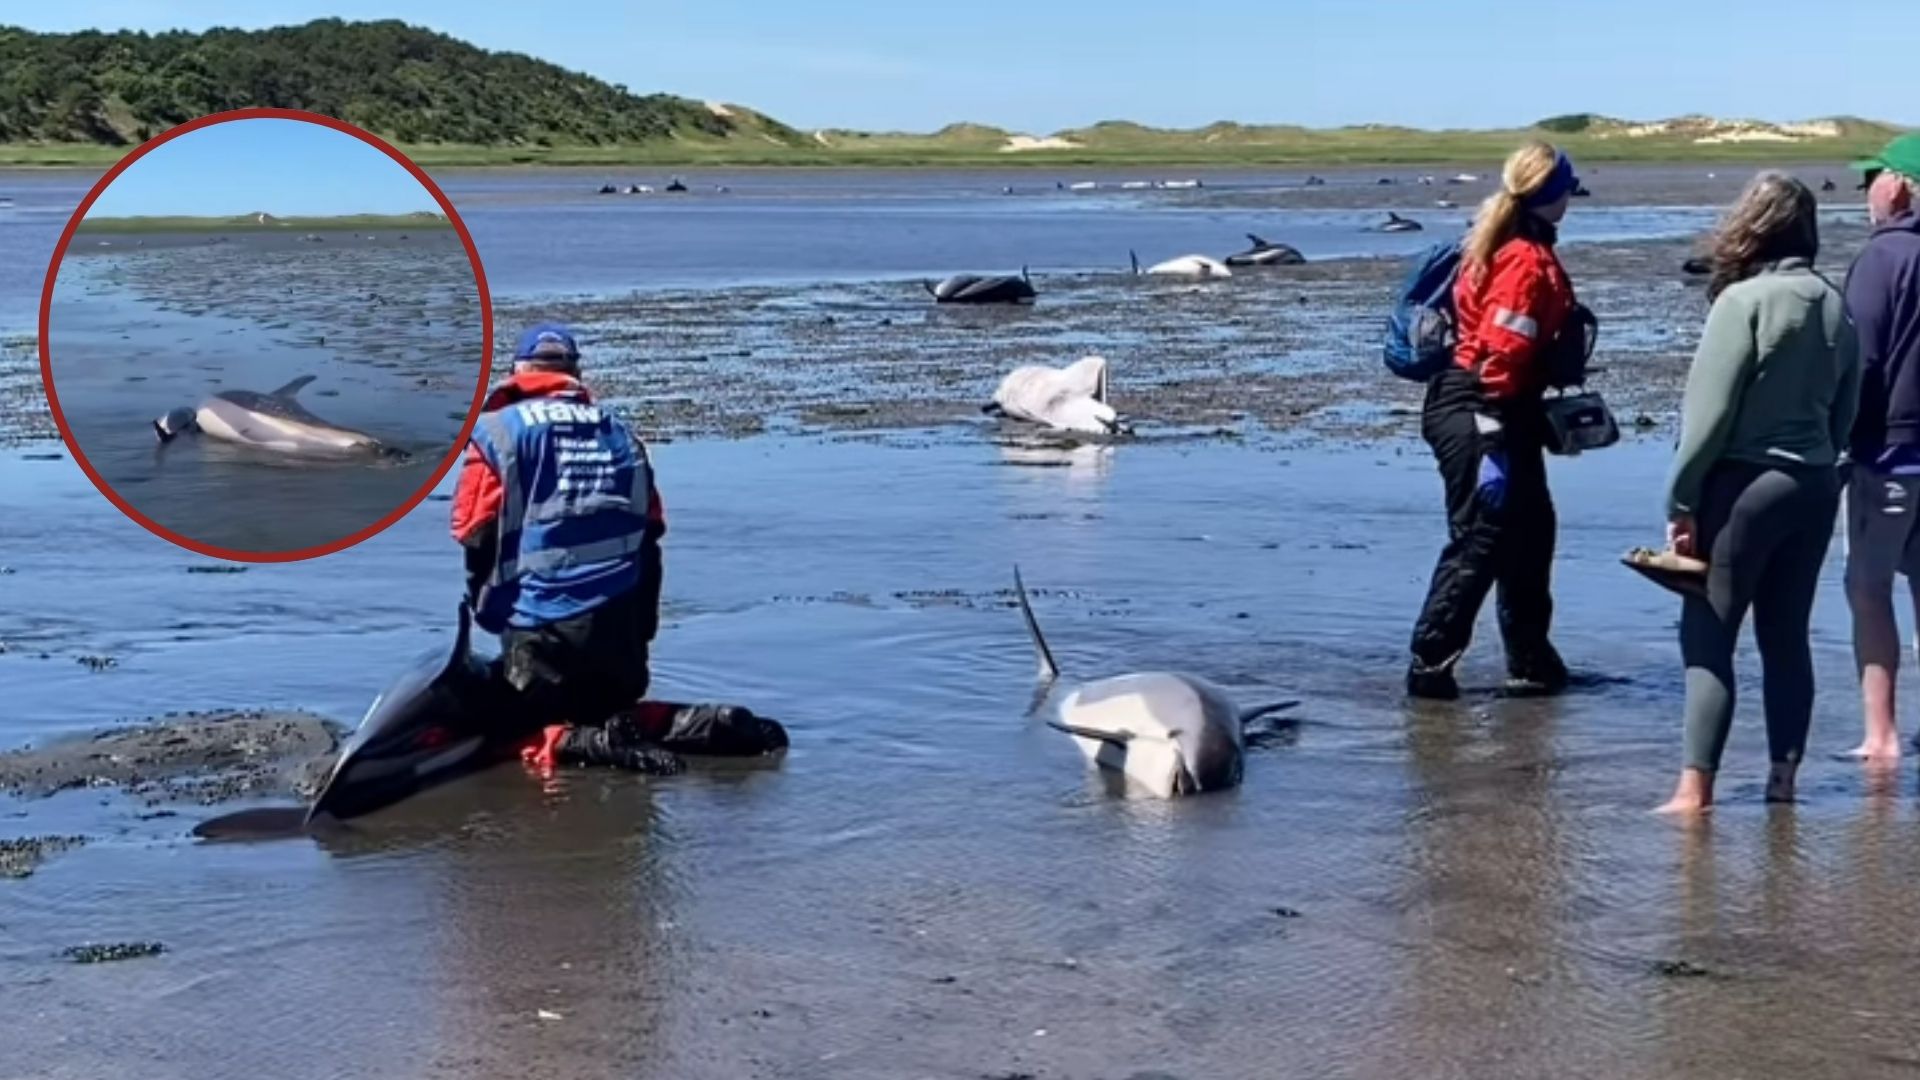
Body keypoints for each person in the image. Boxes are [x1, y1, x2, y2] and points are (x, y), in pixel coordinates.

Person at [1656, 172, 1860, 814]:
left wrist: (1680, 502)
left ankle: (1695, 792)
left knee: (1709, 633)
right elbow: (1845, 414)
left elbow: (1707, 421)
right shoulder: (1834, 302)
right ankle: (1783, 783)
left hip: (1743, 486)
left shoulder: (1742, 302)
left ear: (1753, 225)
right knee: (1786, 636)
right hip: (1815, 485)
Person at [451, 322, 678, 774]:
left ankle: (581, 745)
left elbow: (472, 528)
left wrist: (487, 609)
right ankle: (704, 724)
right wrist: (641, 632)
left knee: (515, 729)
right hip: (620, 626)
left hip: (541, 625)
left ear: (517, 371)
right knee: (610, 704)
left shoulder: (498, 432)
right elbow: (651, 532)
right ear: (575, 372)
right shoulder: (621, 432)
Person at [1406, 141, 1584, 700]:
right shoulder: (1524, 259)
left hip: (1492, 404)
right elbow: (1505, 346)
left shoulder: (1507, 244)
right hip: (1480, 406)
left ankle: (1531, 661)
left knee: (1532, 530)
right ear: (1552, 196)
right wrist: (1497, 418)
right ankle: (1430, 664)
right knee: (1484, 533)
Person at [1839, 132, 1920, 763]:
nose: (1867, 190)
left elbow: (1860, 360)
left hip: (1890, 452)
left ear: (1900, 185)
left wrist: (1839, 439)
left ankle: (1882, 734)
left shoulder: (1884, 257)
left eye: (1873, 177)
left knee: (1868, 587)